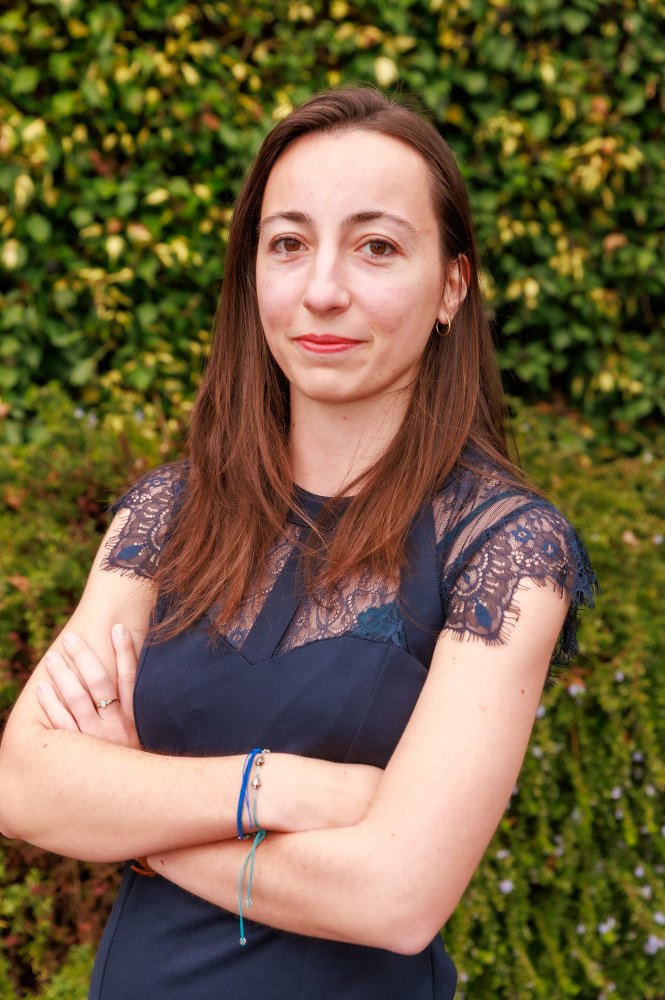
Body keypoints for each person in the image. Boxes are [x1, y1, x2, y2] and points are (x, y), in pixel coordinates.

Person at [0, 87, 596, 999]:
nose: (322, 289)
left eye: (376, 246)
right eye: (287, 243)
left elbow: (395, 897)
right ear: (252, 274)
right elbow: (23, 784)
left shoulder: (506, 552)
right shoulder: (165, 514)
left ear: (451, 287)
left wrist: (133, 820)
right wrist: (269, 789)